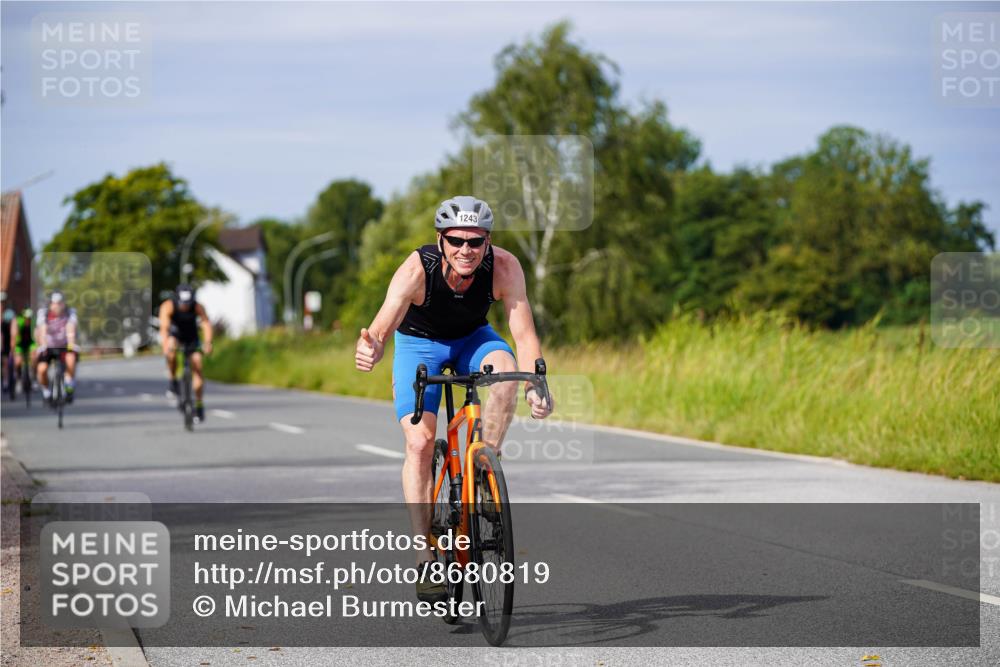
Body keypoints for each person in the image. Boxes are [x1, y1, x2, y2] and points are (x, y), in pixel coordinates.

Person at [355, 195, 554, 603]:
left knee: (505, 367)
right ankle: (424, 555)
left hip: (471, 339)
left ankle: (484, 468)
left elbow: (524, 334)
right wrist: (371, 348)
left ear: (488, 242)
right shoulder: (416, 270)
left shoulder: (504, 266)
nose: (466, 250)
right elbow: (381, 328)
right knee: (420, 443)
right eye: (457, 240)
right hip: (419, 345)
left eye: (476, 242)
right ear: (440, 240)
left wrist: (537, 381)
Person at [158, 284, 213, 423]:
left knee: (197, 363)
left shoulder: (197, 306)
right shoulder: (168, 306)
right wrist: (165, 346)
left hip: (191, 337)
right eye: (183, 303)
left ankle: (199, 405)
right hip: (175, 335)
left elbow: (206, 323)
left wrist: (207, 343)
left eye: (188, 303)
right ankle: (172, 380)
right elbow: (164, 328)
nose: (185, 306)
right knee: (170, 349)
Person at [35, 291, 79, 403]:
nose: (57, 306)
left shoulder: (70, 313)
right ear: (50, 304)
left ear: (63, 304)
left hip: (64, 345)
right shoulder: (43, 313)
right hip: (48, 346)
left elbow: (71, 329)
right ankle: (46, 392)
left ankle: (69, 386)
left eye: (60, 303)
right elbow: (42, 331)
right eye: (54, 303)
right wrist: (43, 345)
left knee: (71, 359)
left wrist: (71, 345)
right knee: (42, 369)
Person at [12, 308, 36, 393]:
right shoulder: (18, 321)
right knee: (18, 361)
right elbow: (14, 336)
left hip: (30, 342)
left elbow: (37, 335)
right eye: (26, 318)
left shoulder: (33, 322)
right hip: (20, 343)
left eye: (29, 318)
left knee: (34, 357)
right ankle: (18, 379)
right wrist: (13, 349)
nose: (27, 320)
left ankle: (33, 378)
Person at [2, 308, 14, 393]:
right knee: (5, 363)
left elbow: (14, 337)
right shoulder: (3, 325)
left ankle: (14, 376)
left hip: (11, 345)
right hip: (4, 346)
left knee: (10, 362)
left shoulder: (14, 324)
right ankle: (5, 381)